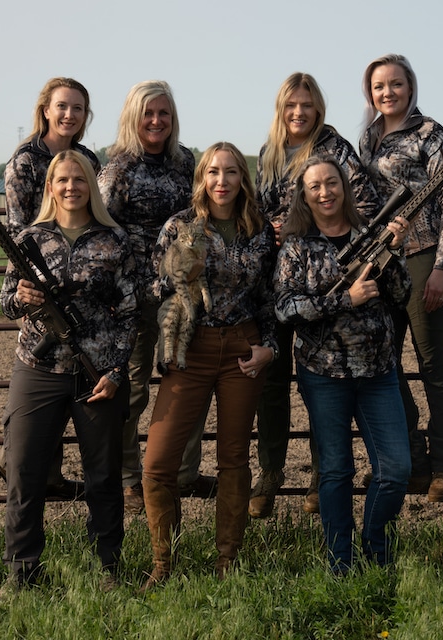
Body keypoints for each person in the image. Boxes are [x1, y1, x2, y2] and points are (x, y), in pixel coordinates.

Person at [0, 150, 138, 594]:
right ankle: (22, 575)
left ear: (91, 185)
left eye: (79, 178)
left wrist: (115, 371)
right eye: (62, 179)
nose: (71, 186)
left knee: (103, 476)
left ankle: (107, 571)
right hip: (37, 368)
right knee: (23, 472)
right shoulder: (28, 239)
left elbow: (131, 312)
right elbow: (4, 303)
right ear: (50, 186)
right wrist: (22, 298)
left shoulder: (115, 241)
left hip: (97, 373)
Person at [140, 142, 278, 591]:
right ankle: (164, 563)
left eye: (231, 172)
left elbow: (270, 297)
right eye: (213, 172)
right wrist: (180, 272)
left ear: (243, 178)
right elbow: (152, 288)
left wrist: (269, 347)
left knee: (234, 460)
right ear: (202, 177)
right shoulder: (179, 226)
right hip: (191, 348)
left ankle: (227, 562)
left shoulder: (259, 230)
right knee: (158, 464)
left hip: (242, 347)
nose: (222, 181)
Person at [251, 72, 381, 518]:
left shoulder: (335, 149)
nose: (299, 113)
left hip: (326, 276)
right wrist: (265, 227)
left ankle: (322, 470)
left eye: (306, 105)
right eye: (291, 105)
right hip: (276, 276)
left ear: (318, 107)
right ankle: (271, 471)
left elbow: (362, 206)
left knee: (321, 375)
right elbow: (257, 209)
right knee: (272, 376)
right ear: (280, 108)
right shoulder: (268, 152)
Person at [274, 155, 411, 574]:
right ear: (304, 194)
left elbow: (400, 294)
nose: (325, 192)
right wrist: (344, 299)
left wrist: (394, 251)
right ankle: (341, 562)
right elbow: (286, 309)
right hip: (324, 375)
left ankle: (374, 546)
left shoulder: (371, 235)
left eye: (331, 183)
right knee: (335, 470)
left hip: (377, 371)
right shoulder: (297, 247)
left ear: (344, 187)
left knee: (396, 470)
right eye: (314, 186)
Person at [98, 80, 216, 515]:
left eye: (164, 113)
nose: (156, 121)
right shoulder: (117, 169)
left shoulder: (186, 162)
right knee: (131, 387)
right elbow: (102, 229)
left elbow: (203, 212)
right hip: (131, 292)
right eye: (148, 113)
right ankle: (129, 478)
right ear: (133, 116)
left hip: (179, 288)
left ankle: (183, 472)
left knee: (185, 377)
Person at [358, 54, 443, 502]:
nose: (388, 92)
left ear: (410, 87)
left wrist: (442, 266)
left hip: (424, 257)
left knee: (432, 364)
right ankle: (412, 462)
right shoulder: (367, 139)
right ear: (370, 92)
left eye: (396, 84)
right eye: (379, 86)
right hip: (385, 261)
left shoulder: (430, 133)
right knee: (382, 359)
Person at [0, 77, 102, 499]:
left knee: (73, 361)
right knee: (42, 367)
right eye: (62, 106)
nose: (69, 114)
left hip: (79, 274)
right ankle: (17, 456)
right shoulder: (25, 161)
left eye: (77, 108)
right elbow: (19, 228)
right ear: (46, 110)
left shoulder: (87, 158)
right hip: (35, 272)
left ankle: (46, 469)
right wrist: (40, 276)